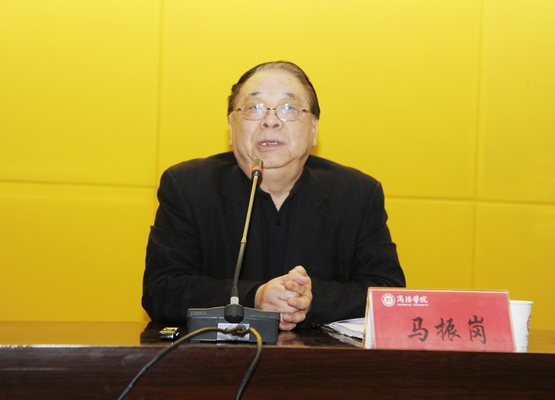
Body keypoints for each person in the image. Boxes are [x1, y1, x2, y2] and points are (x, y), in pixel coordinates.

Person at [143, 61, 405, 331]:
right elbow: (161, 290)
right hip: (220, 355)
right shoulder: (188, 187)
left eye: (289, 108)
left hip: (320, 356)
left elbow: (388, 294)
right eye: (254, 108)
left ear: (314, 129)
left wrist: (309, 300)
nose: (270, 120)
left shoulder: (357, 194)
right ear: (231, 128)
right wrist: (254, 298)